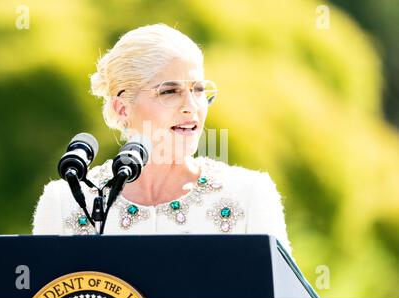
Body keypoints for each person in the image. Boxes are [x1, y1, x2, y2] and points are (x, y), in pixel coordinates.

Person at [32, 23, 292, 255]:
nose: (191, 106)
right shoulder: (65, 202)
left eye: (198, 90)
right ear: (122, 108)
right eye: (169, 91)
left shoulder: (249, 194)